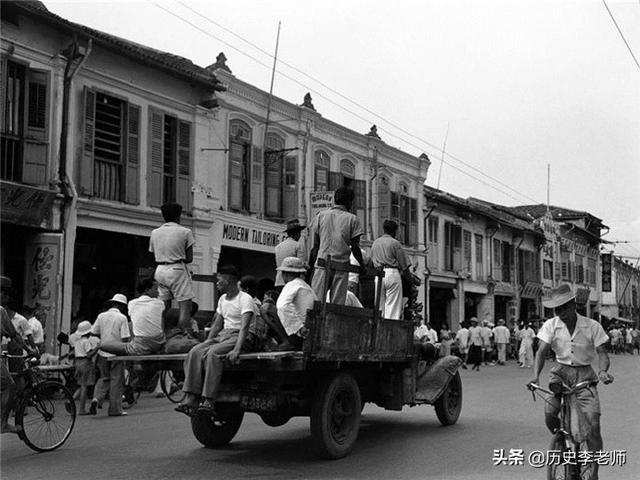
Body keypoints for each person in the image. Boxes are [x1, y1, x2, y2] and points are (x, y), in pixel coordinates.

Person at [527, 284, 613, 480]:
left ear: (574, 305)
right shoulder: (551, 325)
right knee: (550, 416)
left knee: (593, 424)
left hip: (585, 376)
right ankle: (564, 441)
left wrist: (602, 371)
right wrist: (535, 376)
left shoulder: (592, 326)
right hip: (559, 373)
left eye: (564, 307)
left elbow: (602, 353)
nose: (561, 313)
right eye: (557, 309)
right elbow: (541, 352)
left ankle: (594, 472)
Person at [176, 265, 258, 416]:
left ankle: (208, 399)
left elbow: (245, 327)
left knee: (213, 354)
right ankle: (191, 396)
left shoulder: (245, 299)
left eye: (219, 280)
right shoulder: (222, 299)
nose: (217, 283)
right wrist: (207, 342)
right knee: (195, 351)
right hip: (224, 335)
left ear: (228, 280)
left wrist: (237, 350)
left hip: (241, 336)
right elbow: (217, 325)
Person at [308, 186, 365, 305]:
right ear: (350, 202)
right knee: (337, 305)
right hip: (341, 266)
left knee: (316, 302)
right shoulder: (353, 219)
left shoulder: (321, 215)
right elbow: (355, 247)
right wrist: (362, 266)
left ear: (335, 200)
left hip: (322, 263)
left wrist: (313, 265)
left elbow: (315, 246)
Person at [149, 201, 195, 331]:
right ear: (178, 216)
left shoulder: (155, 232)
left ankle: (161, 333)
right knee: (185, 305)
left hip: (160, 269)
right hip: (177, 269)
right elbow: (189, 258)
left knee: (163, 306)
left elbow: (153, 253)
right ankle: (184, 334)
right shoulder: (185, 232)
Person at [89, 294, 130, 416]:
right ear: (122, 306)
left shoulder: (101, 316)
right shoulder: (122, 318)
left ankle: (96, 398)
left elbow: (93, 332)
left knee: (104, 378)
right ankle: (115, 409)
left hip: (103, 352)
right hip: (117, 353)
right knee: (116, 381)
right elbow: (125, 338)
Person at [100, 280, 165, 355]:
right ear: (147, 290)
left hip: (140, 346)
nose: (158, 292)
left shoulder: (131, 304)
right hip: (159, 342)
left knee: (102, 345)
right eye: (156, 289)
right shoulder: (160, 303)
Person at [370, 220, 411, 320]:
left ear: (384, 229)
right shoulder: (395, 243)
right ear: (395, 231)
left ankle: (379, 329)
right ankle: (390, 330)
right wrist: (410, 281)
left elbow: (372, 261)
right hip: (392, 273)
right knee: (392, 307)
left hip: (378, 274)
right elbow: (404, 266)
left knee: (380, 306)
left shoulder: (375, 243)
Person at [276, 257, 318, 350]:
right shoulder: (306, 286)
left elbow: (282, 306)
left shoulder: (292, 285)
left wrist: (299, 328)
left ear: (285, 274)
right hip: (311, 332)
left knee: (266, 309)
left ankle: (286, 341)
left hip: (299, 334)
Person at [72, 321, 100, 415]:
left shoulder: (77, 342)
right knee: (85, 386)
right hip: (85, 363)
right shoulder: (86, 341)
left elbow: (76, 355)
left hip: (78, 362)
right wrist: (97, 348)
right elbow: (89, 355)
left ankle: (70, 400)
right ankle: (82, 409)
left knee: (81, 384)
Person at [274, 219, 307, 291]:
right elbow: (301, 265)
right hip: (293, 282)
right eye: (299, 233)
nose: (300, 235)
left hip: (279, 282)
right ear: (294, 233)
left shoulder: (278, 246)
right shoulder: (298, 245)